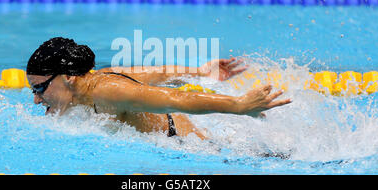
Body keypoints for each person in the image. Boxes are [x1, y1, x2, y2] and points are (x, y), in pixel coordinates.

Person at [26, 37, 292, 140]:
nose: (37, 99)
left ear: (68, 77)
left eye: (40, 88)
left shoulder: (108, 90)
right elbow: (158, 73)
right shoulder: (93, 80)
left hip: (185, 145)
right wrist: (201, 71)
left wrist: (239, 106)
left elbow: (175, 99)